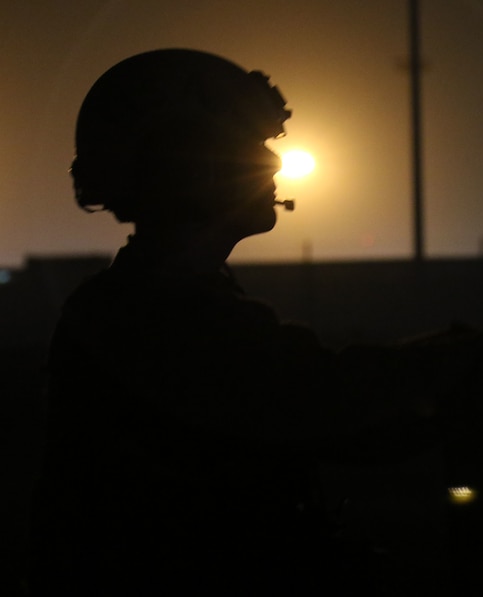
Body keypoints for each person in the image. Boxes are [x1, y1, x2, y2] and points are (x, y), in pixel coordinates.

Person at [29, 49, 434, 596]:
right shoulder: (153, 314)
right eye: (249, 148)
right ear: (187, 165)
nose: (272, 166)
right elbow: (328, 405)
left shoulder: (145, 301)